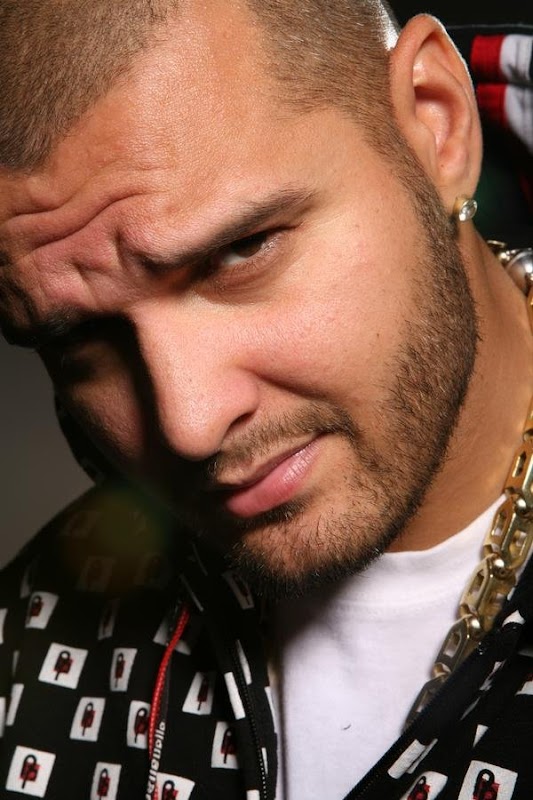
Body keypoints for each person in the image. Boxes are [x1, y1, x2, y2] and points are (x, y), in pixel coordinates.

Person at [0, 1, 532, 798]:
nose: (189, 425)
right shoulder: (31, 642)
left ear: (434, 122)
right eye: (81, 339)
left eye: (238, 252)